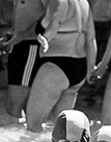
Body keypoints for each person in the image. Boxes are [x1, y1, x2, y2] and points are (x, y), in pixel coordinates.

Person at [24, 0, 97, 133]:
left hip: (56, 67)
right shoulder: (84, 3)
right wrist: (91, 69)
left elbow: (57, 20)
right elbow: (91, 38)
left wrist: (46, 38)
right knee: (62, 130)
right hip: (79, 68)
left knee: (33, 125)